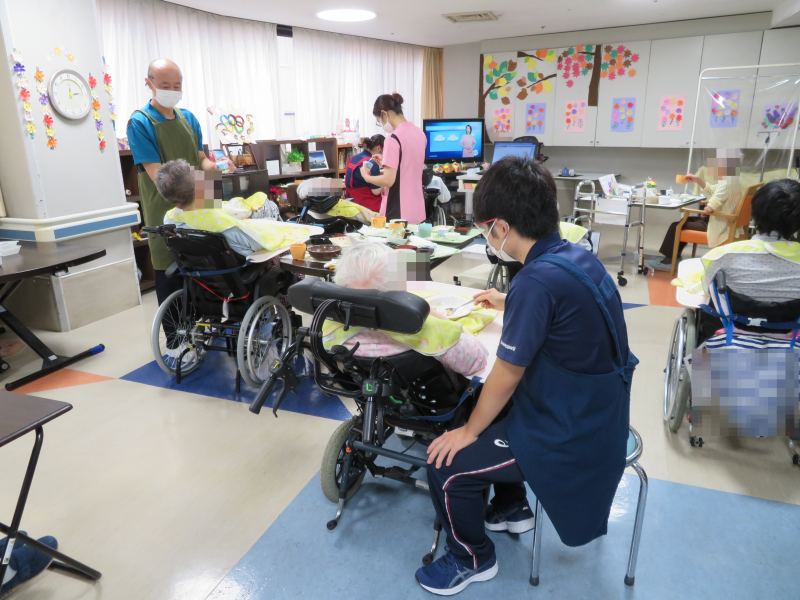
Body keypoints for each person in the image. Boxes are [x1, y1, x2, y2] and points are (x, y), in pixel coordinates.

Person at [414, 157, 637, 596]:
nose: (486, 236)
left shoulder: (536, 282)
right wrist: (509, 300)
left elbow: (508, 371)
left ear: (499, 225)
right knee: (495, 413)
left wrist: (468, 433)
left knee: (447, 461)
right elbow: (560, 314)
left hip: (570, 430)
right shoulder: (574, 257)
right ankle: (512, 508)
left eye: (483, 227)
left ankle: (471, 557)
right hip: (596, 408)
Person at [126, 58, 235, 305]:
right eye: (166, 85)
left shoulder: (188, 118)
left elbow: (201, 159)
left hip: (200, 200)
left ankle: (208, 327)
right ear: (149, 83)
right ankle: (175, 338)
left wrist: (217, 169)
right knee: (170, 267)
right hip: (166, 205)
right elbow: (158, 176)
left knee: (210, 262)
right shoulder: (140, 122)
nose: (172, 91)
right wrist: (206, 189)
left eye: (177, 85)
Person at [327, 242, 487, 378]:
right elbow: (477, 361)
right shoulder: (426, 329)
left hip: (367, 395)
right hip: (427, 400)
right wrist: (439, 319)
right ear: (400, 292)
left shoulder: (329, 326)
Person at [155, 160, 306, 257]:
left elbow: (211, 202)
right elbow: (253, 244)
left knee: (249, 203)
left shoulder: (170, 219)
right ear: (197, 186)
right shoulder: (218, 222)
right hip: (238, 262)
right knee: (268, 205)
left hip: (202, 270)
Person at [648, 149, 744, 271]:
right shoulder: (733, 181)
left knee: (677, 226)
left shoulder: (727, 184)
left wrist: (704, 212)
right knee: (683, 222)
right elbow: (712, 190)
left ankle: (669, 261)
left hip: (720, 225)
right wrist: (697, 179)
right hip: (725, 222)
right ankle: (672, 257)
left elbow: (710, 207)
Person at [361, 93, 427, 224]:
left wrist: (366, 177)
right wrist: (386, 161)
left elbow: (389, 180)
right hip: (418, 210)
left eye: (379, 121)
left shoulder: (393, 138)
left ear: (384, 114)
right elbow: (409, 165)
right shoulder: (420, 133)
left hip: (398, 212)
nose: (381, 124)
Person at [345, 134, 385, 212]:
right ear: (379, 148)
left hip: (354, 200)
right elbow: (376, 192)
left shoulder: (355, 157)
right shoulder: (372, 162)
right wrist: (386, 182)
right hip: (367, 204)